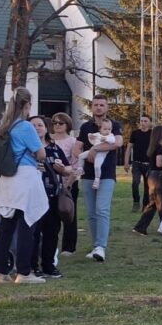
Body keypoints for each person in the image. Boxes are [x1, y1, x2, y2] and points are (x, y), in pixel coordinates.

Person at [0, 88, 48, 284]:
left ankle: (0, 272)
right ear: (27, 104)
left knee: (6, 228)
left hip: (7, 179)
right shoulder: (25, 126)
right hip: (24, 177)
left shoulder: (3, 125)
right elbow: (41, 154)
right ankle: (24, 272)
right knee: (26, 226)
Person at [78, 94, 123, 262]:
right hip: (88, 174)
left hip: (107, 174)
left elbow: (117, 143)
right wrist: (79, 155)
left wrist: (95, 149)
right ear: (92, 107)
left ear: (107, 107)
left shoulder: (114, 125)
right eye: (96, 104)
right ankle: (96, 245)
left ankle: (101, 247)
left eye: (102, 105)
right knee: (91, 213)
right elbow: (77, 147)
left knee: (102, 209)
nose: (98, 107)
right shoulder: (85, 127)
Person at [28, 115, 70, 278]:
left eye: (40, 125)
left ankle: (48, 265)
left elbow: (68, 169)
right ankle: (32, 266)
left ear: (46, 128)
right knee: (34, 232)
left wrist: (62, 169)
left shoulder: (54, 148)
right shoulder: (26, 148)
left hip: (53, 195)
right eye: (33, 125)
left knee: (52, 231)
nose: (37, 128)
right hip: (33, 195)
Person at [49, 113, 82, 256]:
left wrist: (68, 184)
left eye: (60, 123)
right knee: (51, 217)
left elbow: (75, 165)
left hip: (68, 183)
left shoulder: (73, 141)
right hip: (50, 184)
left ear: (67, 125)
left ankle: (68, 247)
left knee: (68, 213)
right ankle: (50, 246)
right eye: (55, 122)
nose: (57, 125)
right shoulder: (48, 140)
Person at [132, 125, 162, 235]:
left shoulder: (154, 146)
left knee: (153, 203)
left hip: (152, 176)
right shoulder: (160, 147)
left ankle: (140, 227)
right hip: (157, 176)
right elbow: (159, 163)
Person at [125, 114, 152, 210]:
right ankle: (136, 202)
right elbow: (129, 148)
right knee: (135, 183)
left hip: (149, 164)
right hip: (136, 163)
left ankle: (145, 204)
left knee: (147, 185)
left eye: (145, 121)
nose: (143, 123)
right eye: (141, 121)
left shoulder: (153, 134)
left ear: (150, 123)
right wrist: (126, 162)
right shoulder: (135, 133)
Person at [80, 118, 116, 190]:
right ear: (100, 129)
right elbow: (91, 139)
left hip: (101, 155)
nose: (107, 131)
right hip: (92, 152)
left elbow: (113, 140)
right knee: (80, 156)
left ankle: (97, 179)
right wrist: (91, 137)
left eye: (109, 129)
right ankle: (80, 168)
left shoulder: (110, 135)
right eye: (105, 129)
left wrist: (106, 139)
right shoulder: (97, 134)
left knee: (97, 166)